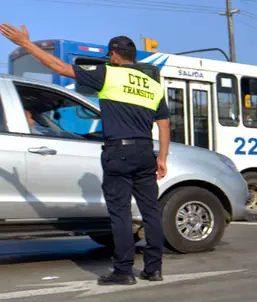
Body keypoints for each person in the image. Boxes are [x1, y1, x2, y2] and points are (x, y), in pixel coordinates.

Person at [1, 25, 169, 285]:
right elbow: (164, 124)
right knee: (151, 212)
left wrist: (26, 43)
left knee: (121, 213)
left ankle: (124, 271)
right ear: (133, 56)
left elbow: (59, 68)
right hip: (146, 151)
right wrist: (162, 158)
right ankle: (154, 269)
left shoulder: (109, 74)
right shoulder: (153, 85)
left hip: (119, 152)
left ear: (113, 55)